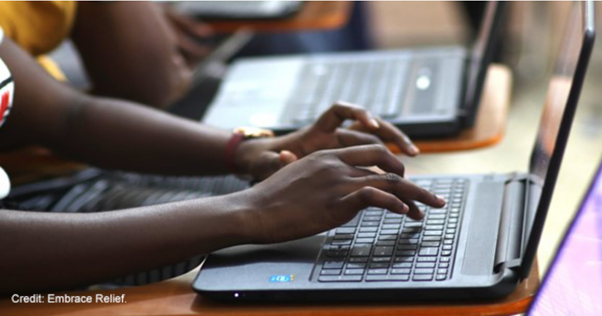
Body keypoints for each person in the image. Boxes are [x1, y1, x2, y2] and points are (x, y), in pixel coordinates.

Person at [0, 15, 446, 294]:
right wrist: (249, 211)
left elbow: (66, 115)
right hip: (25, 242)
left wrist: (249, 151)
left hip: (46, 193)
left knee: (341, 205)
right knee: (296, 249)